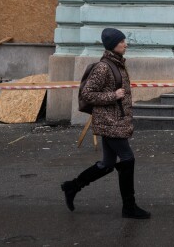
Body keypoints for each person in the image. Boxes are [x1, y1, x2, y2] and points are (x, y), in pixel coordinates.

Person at [60, 27, 151, 219]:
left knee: (108, 163)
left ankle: (72, 186)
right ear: (112, 45)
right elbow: (87, 93)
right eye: (121, 42)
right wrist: (113, 95)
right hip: (109, 122)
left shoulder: (118, 64)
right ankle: (129, 207)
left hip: (115, 120)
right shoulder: (103, 67)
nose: (125, 44)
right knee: (128, 159)